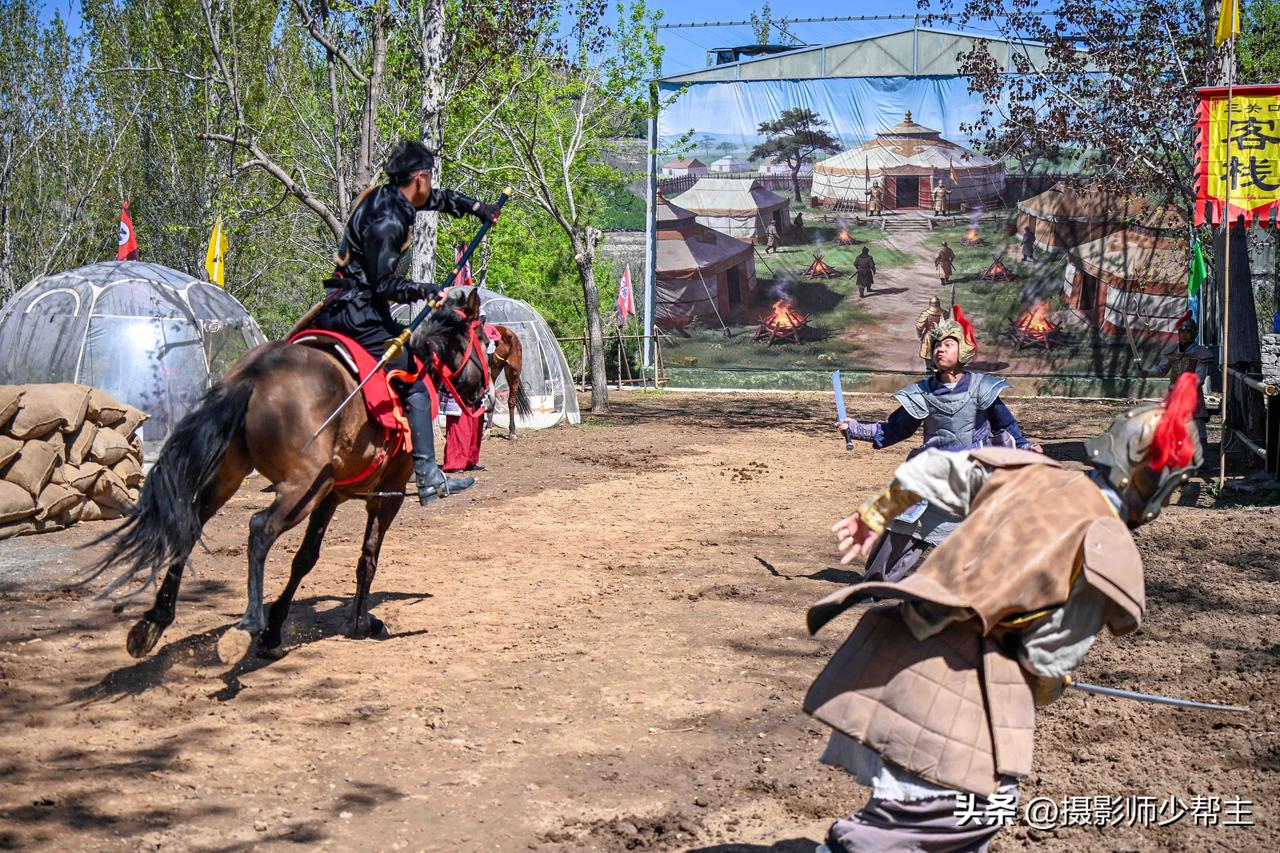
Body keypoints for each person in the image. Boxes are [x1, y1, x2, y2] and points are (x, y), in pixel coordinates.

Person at [807, 373, 1203, 853]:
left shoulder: (1031, 472)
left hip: (889, 661)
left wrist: (874, 515)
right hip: (956, 704)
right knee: (965, 813)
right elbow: (1046, 661)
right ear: (1160, 485)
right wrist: (1053, 684)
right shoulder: (1105, 546)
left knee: (921, 820)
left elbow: (931, 469)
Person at [313, 139, 500, 506]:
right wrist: (426, 290)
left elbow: (439, 200)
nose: (431, 185)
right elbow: (384, 284)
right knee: (414, 378)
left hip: (343, 305)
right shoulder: (389, 221)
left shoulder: (387, 197)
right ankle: (428, 477)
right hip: (359, 313)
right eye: (430, 177)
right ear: (419, 178)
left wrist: (478, 208)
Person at [836, 306, 1040, 584]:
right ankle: (877, 585)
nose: (940, 350)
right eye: (936, 346)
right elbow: (895, 429)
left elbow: (1007, 427)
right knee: (904, 524)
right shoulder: (922, 393)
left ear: (963, 349)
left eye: (948, 344)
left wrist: (1026, 448)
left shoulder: (983, 388)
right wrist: (856, 428)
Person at [1138, 311, 1214, 460]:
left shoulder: (1200, 353)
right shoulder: (1172, 351)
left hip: (1192, 396)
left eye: (1187, 332)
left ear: (1193, 334)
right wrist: (1146, 372)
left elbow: (1200, 377)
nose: (1184, 335)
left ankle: (1201, 459)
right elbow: (1161, 370)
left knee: (1197, 426)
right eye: (1182, 332)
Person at [914, 296, 948, 365]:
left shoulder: (926, 314)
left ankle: (930, 370)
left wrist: (920, 334)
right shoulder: (945, 313)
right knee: (940, 353)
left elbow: (919, 326)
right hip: (941, 336)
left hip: (929, 336)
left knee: (929, 354)